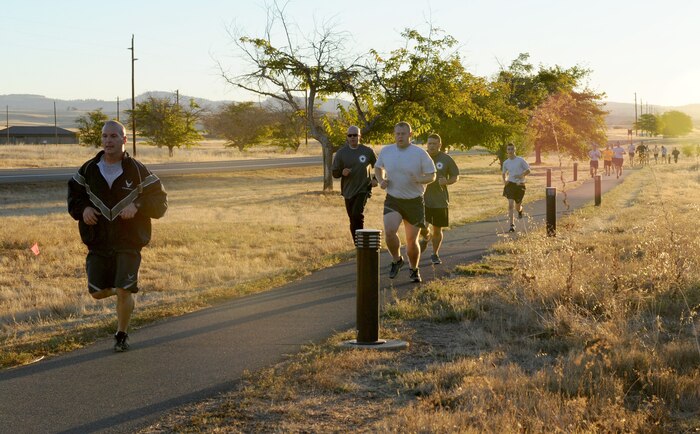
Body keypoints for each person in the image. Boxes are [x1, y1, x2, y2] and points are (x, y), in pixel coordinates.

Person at [67, 120, 168, 352]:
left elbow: (160, 202)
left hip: (129, 241)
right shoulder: (88, 170)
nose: (108, 141)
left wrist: (138, 205)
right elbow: (73, 197)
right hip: (98, 241)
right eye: (105, 136)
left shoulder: (139, 170)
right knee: (96, 292)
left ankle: (121, 334)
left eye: (114, 136)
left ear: (124, 140)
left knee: (124, 288)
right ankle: (122, 291)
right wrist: (84, 210)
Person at [375, 122, 436, 283]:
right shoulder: (387, 151)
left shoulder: (420, 153)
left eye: (403, 133)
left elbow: (432, 175)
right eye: (397, 134)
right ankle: (396, 259)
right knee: (389, 231)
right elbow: (378, 167)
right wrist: (381, 180)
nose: (400, 136)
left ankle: (414, 269)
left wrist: (420, 179)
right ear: (394, 134)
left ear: (410, 134)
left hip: (414, 201)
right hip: (393, 199)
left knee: (411, 241)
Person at [418, 133, 459, 265]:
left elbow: (455, 176)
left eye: (434, 144)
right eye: (429, 143)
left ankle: (435, 254)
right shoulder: (421, 157)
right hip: (421, 199)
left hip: (440, 200)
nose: (431, 146)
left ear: (439, 145)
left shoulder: (446, 159)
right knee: (421, 226)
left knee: (438, 229)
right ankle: (425, 237)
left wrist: (446, 181)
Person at [331, 125, 378, 242]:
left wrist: (376, 179)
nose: (352, 137)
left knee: (357, 214)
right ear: (347, 137)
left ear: (359, 136)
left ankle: (362, 243)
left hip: (363, 188)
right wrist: (342, 172)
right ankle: (358, 244)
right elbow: (335, 173)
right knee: (352, 218)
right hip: (348, 191)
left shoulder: (367, 151)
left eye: (355, 135)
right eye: (350, 135)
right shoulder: (341, 153)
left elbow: (379, 166)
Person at [501, 143, 531, 233]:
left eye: (512, 149)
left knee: (517, 206)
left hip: (520, 185)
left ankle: (520, 210)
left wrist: (521, 175)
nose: (510, 151)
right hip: (510, 185)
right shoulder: (506, 162)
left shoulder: (520, 160)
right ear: (507, 151)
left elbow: (529, 170)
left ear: (515, 150)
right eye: (508, 149)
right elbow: (503, 173)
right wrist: (505, 181)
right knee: (510, 205)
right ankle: (511, 225)